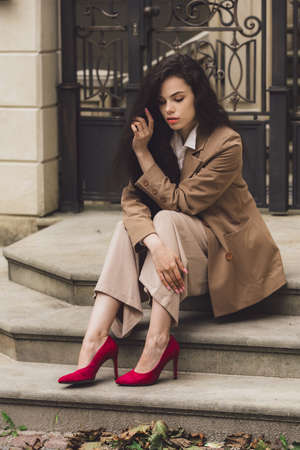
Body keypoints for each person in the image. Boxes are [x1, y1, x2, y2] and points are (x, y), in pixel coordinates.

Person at [58, 54, 286, 387]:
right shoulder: (161, 138)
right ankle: (95, 340)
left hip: (225, 256)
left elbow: (183, 202)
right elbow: (132, 202)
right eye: (163, 101)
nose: (169, 109)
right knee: (132, 227)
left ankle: (158, 341)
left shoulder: (226, 143)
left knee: (166, 216)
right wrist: (155, 247)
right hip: (178, 254)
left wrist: (143, 154)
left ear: (198, 97)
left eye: (178, 99)